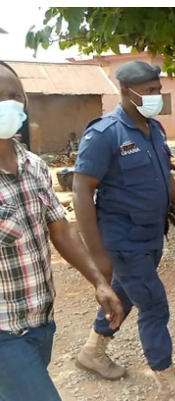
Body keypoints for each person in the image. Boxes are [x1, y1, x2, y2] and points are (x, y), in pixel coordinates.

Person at [0, 60, 123, 401]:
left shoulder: (35, 167)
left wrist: (99, 281)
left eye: (14, 95)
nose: (7, 104)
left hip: (41, 321)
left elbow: (61, 229)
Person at [72, 61, 175, 401]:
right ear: (126, 91)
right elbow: (82, 190)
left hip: (151, 236)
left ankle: (92, 351)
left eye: (159, 89)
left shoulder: (154, 129)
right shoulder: (104, 133)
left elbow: (163, 176)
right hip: (122, 239)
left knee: (125, 292)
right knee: (154, 304)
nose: (157, 96)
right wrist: (97, 253)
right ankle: (166, 380)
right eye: (151, 91)